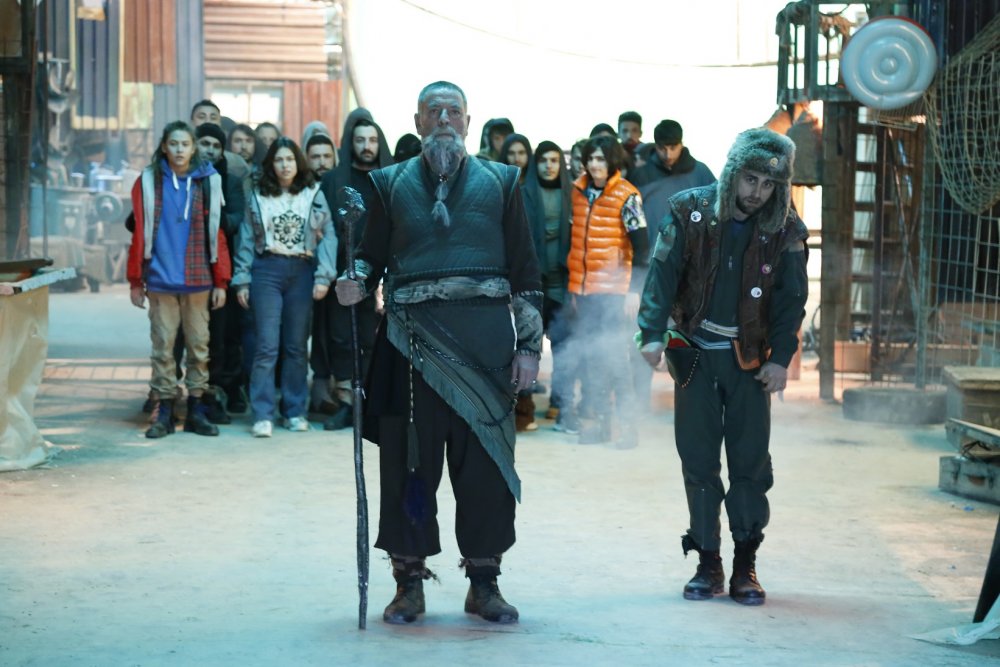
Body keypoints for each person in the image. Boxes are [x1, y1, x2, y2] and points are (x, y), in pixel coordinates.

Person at [335, 81, 542, 625]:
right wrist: (355, 279)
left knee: (487, 473)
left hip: (487, 355)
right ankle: (409, 585)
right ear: (418, 122)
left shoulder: (503, 181)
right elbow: (369, 256)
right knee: (409, 470)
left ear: (468, 122)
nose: (444, 119)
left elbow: (526, 270)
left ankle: (484, 583)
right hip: (409, 352)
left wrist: (529, 348)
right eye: (434, 111)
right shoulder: (388, 184)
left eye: (454, 111)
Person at [636, 127, 808, 606]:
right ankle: (707, 561)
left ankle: (744, 564)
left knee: (750, 464)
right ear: (733, 173)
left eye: (769, 184)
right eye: (750, 179)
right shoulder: (687, 211)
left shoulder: (786, 229)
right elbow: (662, 275)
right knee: (698, 460)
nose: (757, 192)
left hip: (749, 361)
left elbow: (792, 300)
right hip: (694, 355)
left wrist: (781, 359)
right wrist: (651, 332)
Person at [127, 120, 231, 439]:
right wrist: (135, 279)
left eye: (185, 144)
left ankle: (197, 408)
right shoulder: (149, 181)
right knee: (163, 348)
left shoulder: (208, 181)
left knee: (199, 347)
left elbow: (217, 233)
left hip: (198, 278)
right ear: (164, 147)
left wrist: (221, 281)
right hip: (160, 278)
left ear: (193, 147)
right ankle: (165, 410)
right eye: (173, 144)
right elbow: (139, 232)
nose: (179, 150)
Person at [232, 137, 337, 438]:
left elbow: (328, 234)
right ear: (271, 165)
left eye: (289, 159)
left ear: (298, 162)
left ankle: (294, 410)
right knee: (266, 345)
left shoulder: (313, 193)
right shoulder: (259, 195)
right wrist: (242, 279)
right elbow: (246, 238)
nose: (285, 165)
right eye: (278, 160)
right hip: (267, 270)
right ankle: (263, 413)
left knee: (296, 345)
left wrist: (324, 276)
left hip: (302, 271)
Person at [566, 134, 648, 448]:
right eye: (590, 158)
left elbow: (642, 247)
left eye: (600, 158)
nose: (594, 164)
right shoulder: (578, 192)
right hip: (585, 290)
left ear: (612, 160)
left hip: (615, 291)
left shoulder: (627, 195)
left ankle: (629, 429)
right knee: (594, 361)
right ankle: (602, 427)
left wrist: (633, 291)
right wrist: (575, 288)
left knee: (616, 360)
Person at [630, 119, 717, 411]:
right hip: (649, 267)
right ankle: (639, 403)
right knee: (645, 332)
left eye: (673, 147)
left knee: (689, 337)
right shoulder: (640, 175)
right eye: (662, 148)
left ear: (682, 143)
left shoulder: (701, 173)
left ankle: (691, 401)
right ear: (654, 145)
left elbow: (717, 216)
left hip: (691, 270)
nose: (668, 154)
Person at [313, 110, 392, 430]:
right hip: (342, 273)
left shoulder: (390, 178)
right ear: (350, 143)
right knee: (342, 339)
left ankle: (372, 404)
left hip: (384, 275)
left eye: (372, 140)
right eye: (360, 140)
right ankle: (348, 403)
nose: (367, 146)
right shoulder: (334, 180)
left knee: (375, 340)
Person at [195, 122, 249, 419]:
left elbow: (237, 218)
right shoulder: (183, 177)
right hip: (188, 268)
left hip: (223, 266)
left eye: (216, 146)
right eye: (205, 144)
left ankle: (226, 389)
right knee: (192, 336)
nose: (210, 151)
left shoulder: (231, 179)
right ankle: (192, 393)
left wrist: (209, 219)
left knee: (225, 334)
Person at [521, 140, 574, 430]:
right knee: (528, 346)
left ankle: (560, 405)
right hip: (532, 283)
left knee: (565, 348)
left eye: (554, 160)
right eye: (543, 160)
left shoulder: (572, 194)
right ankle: (524, 410)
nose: (549, 165)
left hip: (563, 283)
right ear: (536, 163)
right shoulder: (524, 193)